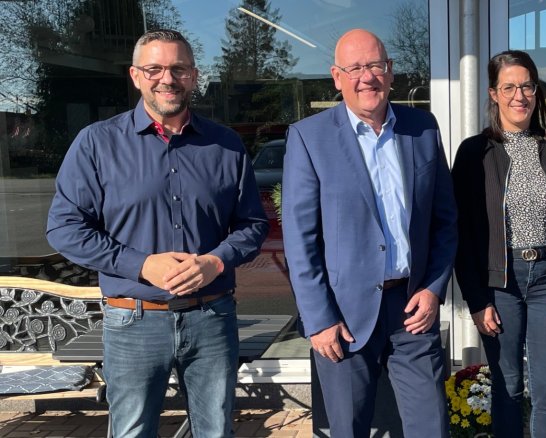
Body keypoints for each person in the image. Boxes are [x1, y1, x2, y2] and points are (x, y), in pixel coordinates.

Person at [46, 29, 268, 437]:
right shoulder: (97, 143)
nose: (167, 79)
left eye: (178, 69)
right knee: (132, 432)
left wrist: (215, 261)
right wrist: (141, 264)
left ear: (194, 76)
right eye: (154, 69)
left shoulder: (226, 145)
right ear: (135, 76)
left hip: (211, 316)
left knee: (216, 431)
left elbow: (253, 225)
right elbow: (64, 227)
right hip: (133, 320)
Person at [282, 29, 457, 438]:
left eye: (375, 65)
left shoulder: (422, 128)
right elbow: (300, 239)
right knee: (348, 429)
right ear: (337, 77)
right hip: (343, 316)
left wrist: (433, 288)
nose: (367, 77)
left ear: (390, 71)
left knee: (431, 426)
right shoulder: (309, 137)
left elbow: (445, 220)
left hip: (413, 309)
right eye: (355, 68)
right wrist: (319, 319)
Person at [452, 50, 546, 438]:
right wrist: (476, 299)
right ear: (493, 93)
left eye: (527, 86)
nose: (519, 96)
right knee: (507, 387)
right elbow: (461, 234)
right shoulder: (474, 152)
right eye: (509, 87)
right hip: (500, 285)